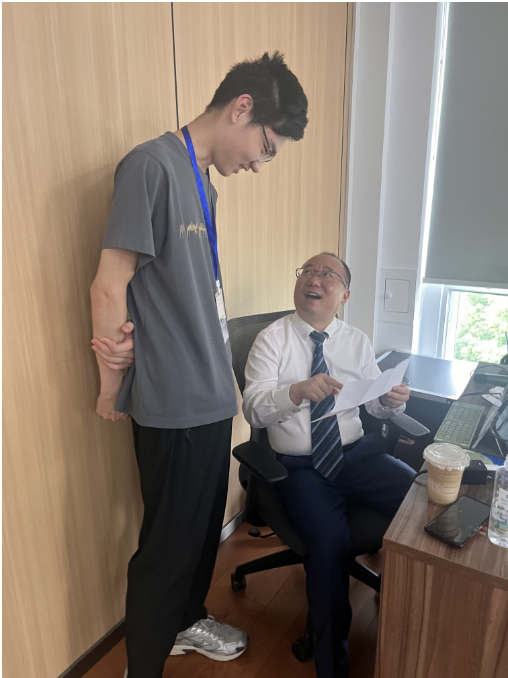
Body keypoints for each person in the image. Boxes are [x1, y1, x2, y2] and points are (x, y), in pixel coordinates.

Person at [90, 52, 308, 678]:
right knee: (167, 548)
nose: (260, 164)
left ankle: (186, 620)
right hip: (174, 403)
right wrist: (110, 384)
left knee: (199, 534)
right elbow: (110, 285)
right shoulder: (151, 166)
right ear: (242, 108)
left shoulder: (202, 182)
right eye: (266, 148)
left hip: (212, 396)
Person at [242, 252, 415, 678]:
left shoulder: (356, 340)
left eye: (327, 275)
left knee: (422, 502)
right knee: (327, 549)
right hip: (301, 467)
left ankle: (423, 619)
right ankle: (332, 665)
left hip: (358, 455)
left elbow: (374, 404)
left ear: (344, 295)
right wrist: (296, 392)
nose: (314, 279)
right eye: (308, 272)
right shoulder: (271, 340)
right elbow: (253, 410)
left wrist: (390, 401)